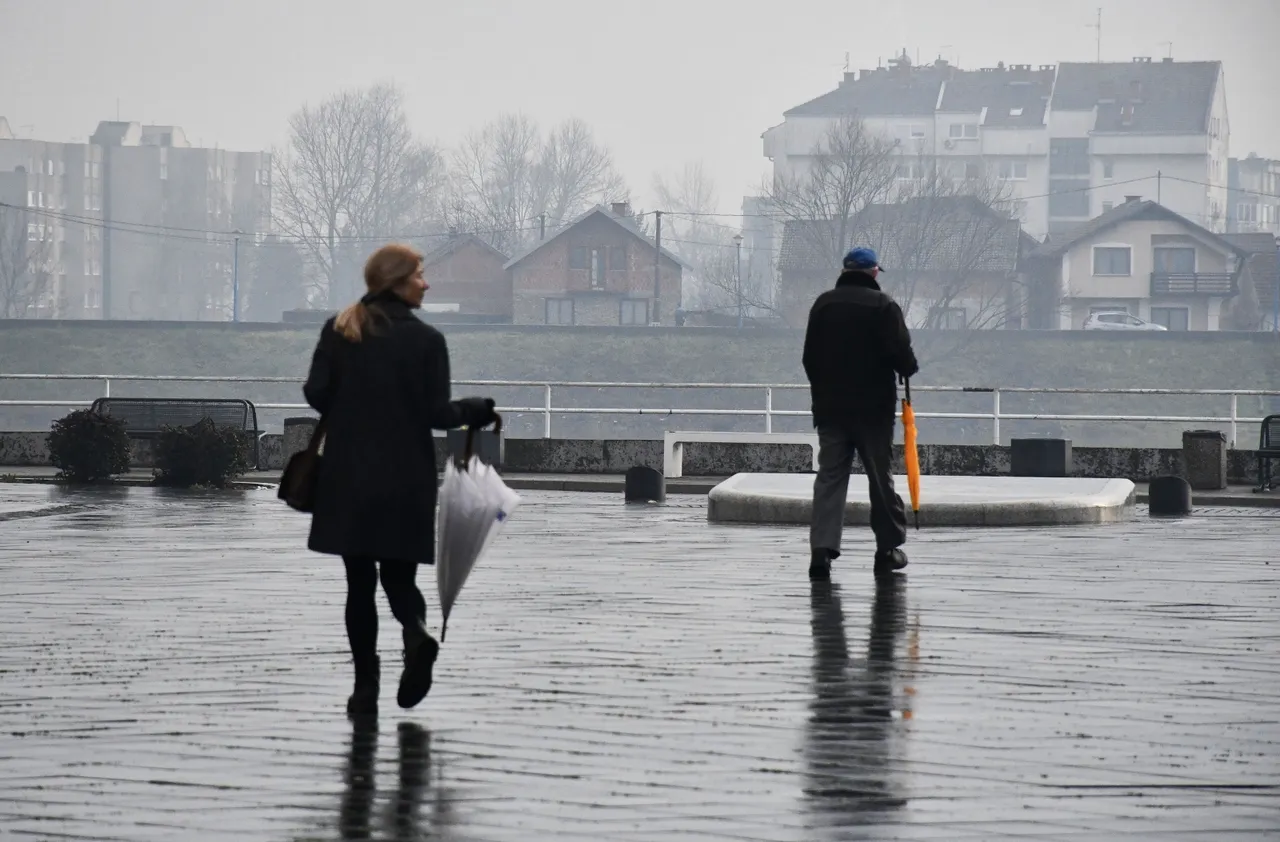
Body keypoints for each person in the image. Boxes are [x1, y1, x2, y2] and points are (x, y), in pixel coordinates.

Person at [303, 243, 498, 717]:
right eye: (419, 275)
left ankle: (364, 688)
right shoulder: (427, 341)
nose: (426, 283)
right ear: (397, 281)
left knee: (358, 584)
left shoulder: (340, 330)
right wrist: (475, 410)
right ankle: (416, 634)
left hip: (349, 474)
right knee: (398, 576)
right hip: (404, 476)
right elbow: (437, 414)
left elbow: (316, 393)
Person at [802, 246, 919, 582]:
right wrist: (907, 366)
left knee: (830, 478)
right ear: (873, 272)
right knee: (879, 478)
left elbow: (809, 358)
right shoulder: (884, 306)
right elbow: (903, 357)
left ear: (845, 271)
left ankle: (821, 552)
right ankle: (887, 549)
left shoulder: (823, 305)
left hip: (831, 410)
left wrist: (824, 391)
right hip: (873, 411)